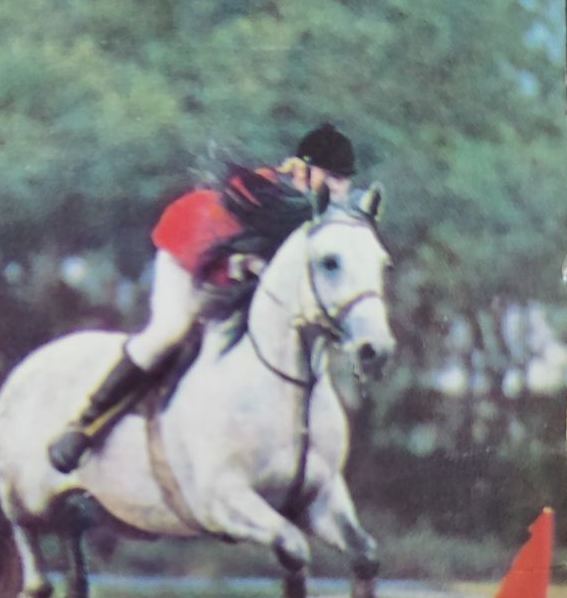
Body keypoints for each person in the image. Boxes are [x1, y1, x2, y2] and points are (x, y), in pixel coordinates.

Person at [47, 121, 357, 474]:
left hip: (236, 278)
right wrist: (248, 264)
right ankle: (84, 423)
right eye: (333, 178)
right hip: (191, 249)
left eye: (344, 180)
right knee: (171, 331)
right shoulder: (267, 193)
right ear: (304, 169)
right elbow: (228, 248)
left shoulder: (323, 215)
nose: (340, 189)